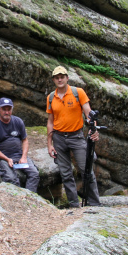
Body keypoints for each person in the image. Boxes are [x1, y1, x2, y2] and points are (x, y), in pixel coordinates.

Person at [46, 66, 101, 207]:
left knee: (86, 170)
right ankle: (74, 205)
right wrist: (49, 144)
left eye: (62, 76)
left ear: (67, 78)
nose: (59, 79)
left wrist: (93, 128)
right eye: (57, 77)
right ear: (53, 79)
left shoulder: (78, 93)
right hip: (58, 138)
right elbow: (50, 121)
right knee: (66, 174)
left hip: (76, 137)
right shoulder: (51, 97)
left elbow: (89, 113)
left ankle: (95, 204)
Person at [0, 97, 40, 193]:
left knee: (34, 173)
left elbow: (25, 140)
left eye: (9, 109)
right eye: (4, 109)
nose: (7, 112)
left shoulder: (18, 121)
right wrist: (7, 159)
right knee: (11, 178)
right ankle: (18, 199)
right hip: (4, 158)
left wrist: (24, 157)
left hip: (19, 155)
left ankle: (29, 197)